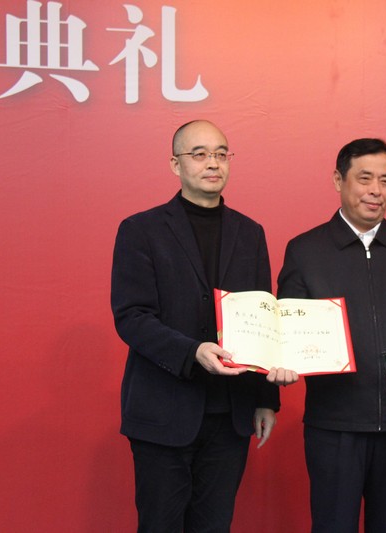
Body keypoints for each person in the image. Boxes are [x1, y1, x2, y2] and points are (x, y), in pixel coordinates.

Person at [110, 119, 296, 532]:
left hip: (230, 414)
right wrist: (191, 352)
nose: (213, 163)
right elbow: (131, 316)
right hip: (163, 409)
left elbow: (262, 315)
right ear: (175, 165)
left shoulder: (250, 233)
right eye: (199, 154)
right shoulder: (141, 230)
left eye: (221, 154)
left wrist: (266, 399)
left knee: (214, 526)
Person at [277, 138, 386, 533]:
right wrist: (283, 359)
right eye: (365, 178)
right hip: (334, 424)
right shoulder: (305, 250)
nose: (376, 190)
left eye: (385, 181)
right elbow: (287, 325)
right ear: (338, 180)